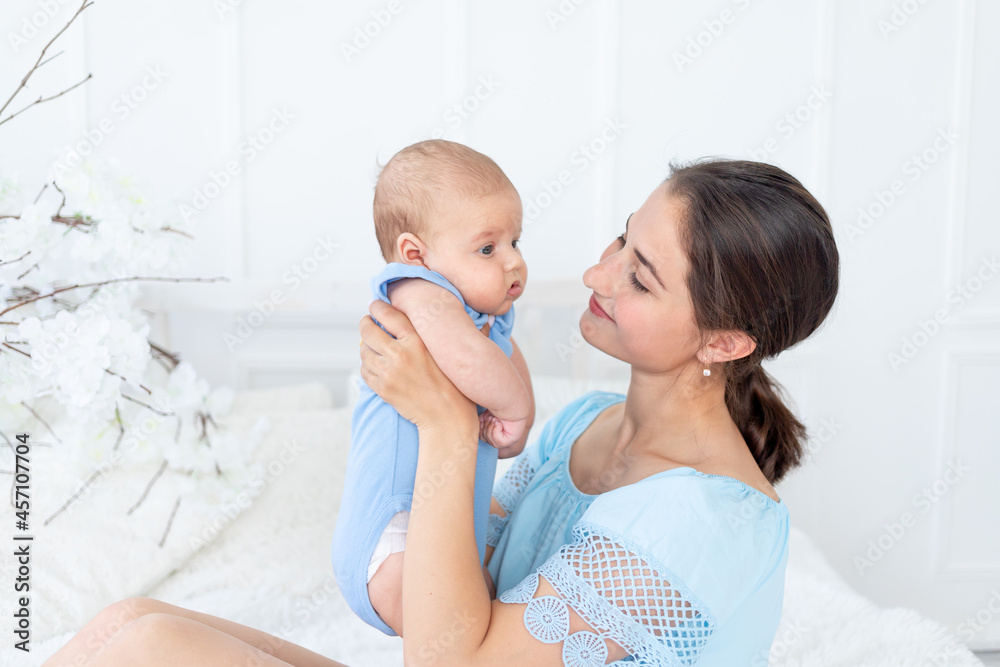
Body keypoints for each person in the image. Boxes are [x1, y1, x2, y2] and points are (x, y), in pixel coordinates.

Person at [40, 158, 838, 666]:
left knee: (149, 648)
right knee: (129, 618)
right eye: (619, 242)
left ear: (727, 339)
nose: (596, 272)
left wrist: (445, 424)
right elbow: (454, 582)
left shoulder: (702, 522)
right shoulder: (581, 423)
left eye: (640, 278)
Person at [330, 139, 534, 637]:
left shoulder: (486, 319)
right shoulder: (419, 291)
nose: (511, 262)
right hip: (394, 527)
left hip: (438, 527)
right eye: (488, 248)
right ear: (415, 253)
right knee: (449, 641)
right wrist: (518, 410)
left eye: (516, 242)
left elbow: (501, 363)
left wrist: (518, 413)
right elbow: (469, 360)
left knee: (479, 630)